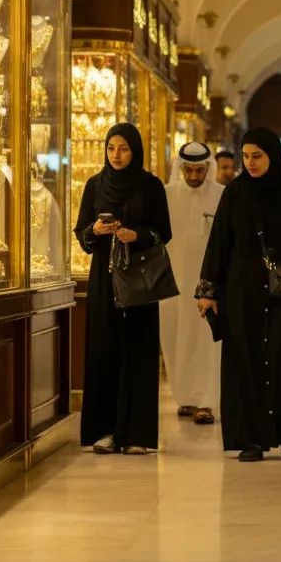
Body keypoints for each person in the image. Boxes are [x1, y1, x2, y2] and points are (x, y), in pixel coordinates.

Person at [196, 128, 281, 462]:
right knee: (245, 358)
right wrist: (209, 289)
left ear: (273, 155)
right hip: (243, 288)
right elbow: (220, 242)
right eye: (247, 156)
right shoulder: (235, 192)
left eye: (258, 156)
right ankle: (250, 437)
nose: (251, 163)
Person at [74, 123, 172, 456]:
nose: (116, 155)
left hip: (139, 281)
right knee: (104, 350)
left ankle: (137, 434)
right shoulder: (95, 185)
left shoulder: (150, 186)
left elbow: (164, 232)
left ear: (135, 151)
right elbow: (82, 233)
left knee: (138, 352)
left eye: (124, 149)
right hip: (104, 277)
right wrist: (96, 229)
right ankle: (104, 431)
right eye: (112, 148)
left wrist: (137, 235)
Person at [160, 142, 224, 426]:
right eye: (190, 170)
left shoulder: (222, 196)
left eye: (200, 170)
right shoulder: (167, 195)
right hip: (173, 282)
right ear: (181, 168)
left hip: (209, 285)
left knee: (207, 341)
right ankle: (185, 396)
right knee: (175, 339)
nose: (195, 176)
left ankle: (207, 402)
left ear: (208, 169)